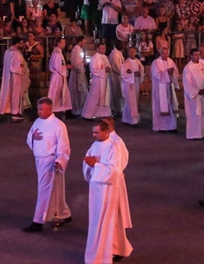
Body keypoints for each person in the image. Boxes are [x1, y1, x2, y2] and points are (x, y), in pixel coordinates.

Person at [83, 120, 131, 264]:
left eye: (96, 132)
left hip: (108, 189)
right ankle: (113, 249)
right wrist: (89, 165)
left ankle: (101, 257)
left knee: (106, 221)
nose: (93, 135)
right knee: (97, 220)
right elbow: (87, 163)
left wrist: (95, 165)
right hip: (95, 188)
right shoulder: (95, 145)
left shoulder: (114, 147)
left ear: (106, 132)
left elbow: (114, 171)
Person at [23, 98, 72, 233]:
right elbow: (29, 138)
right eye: (38, 109)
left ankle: (37, 221)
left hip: (50, 161)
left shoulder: (58, 125)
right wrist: (33, 137)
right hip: (39, 160)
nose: (39, 112)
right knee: (54, 189)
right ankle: (64, 213)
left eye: (42, 109)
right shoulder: (38, 122)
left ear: (50, 109)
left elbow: (64, 146)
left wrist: (60, 160)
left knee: (43, 190)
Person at [0, 37, 28, 121]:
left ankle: (5, 109)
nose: (23, 45)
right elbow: (17, 67)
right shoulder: (16, 53)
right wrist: (23, 68)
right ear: (18, 43)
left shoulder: (7, 51)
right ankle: (14, 112)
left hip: (8, 76)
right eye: (22, 43)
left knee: (7, 93)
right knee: (15, 94)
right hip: (15, 77)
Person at [182, 48, 204, 139]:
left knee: (201, 115)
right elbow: (187, 83)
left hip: (202, 94)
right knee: (193, 114)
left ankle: (201, 133)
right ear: (191, 56)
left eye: (198, 54)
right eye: (195, 55)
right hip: (193, 97)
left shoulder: (201, 66)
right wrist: (197, 91)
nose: (197, 56)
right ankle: (192, 134)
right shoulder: (188, 68)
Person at [150, 46, 179, 132]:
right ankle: (161, 126)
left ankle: (171, 126)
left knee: (170, 105)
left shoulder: (171, 61)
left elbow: (176, 73)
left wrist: (172, 74)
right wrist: (167, 72)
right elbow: (156, 75)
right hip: (160, 88)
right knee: (161, 106)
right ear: (160, 53)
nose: (165, 55)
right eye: (163, 53)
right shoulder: (156, 62)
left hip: (169, 87)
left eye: (166, 53)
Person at [82, 42, 112, 120]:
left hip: (104, 80)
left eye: (104, 48)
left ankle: (103, 113)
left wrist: (108, 68)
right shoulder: (94, 58)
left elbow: (108, 66)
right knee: (94, 97)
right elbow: (94, 70)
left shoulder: (105, 57)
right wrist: (103, 70)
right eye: (102, 48)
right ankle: (87, 114)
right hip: (97, 80)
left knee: (104, 97)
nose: (103, 50)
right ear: (97, 49)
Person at [47, 37, 71, 114]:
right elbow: (58, 67)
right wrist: (66, 67)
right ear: (58, 43)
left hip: (59, 76)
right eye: (63, 42)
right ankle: (53, 108)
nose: (64, 44)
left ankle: (58, 107)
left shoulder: (59, 52)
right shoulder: (57, 54)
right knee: (55, 92)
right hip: (57, 76)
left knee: (58, 93)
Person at [68, 36, 88, 117]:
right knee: (77, 92)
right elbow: (76, 64)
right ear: (80, 41)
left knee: (82, 92)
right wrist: (82, 63)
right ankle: (77, 110)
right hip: (77, 75)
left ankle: (81, 109)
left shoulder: (79, 50)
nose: (85, 43)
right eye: (84, 42)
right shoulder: (76, 49)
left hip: (80, 73)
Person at [108, 42, 125, 118]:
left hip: (120, 76)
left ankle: (120, 109)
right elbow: (116, 66)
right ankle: (116, 110)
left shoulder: (119, 53)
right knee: (116, 93)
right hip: (115, 76)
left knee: (120, 93)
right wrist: (122, 72)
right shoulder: (114, 54)